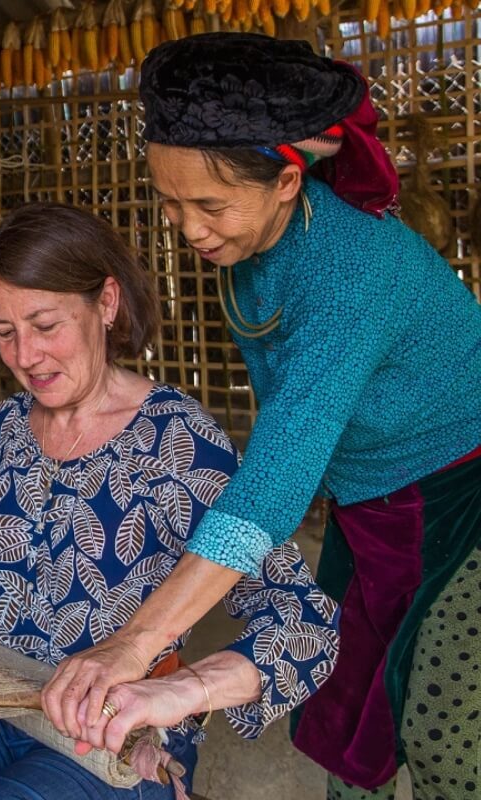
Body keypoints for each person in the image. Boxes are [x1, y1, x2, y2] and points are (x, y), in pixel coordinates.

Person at [0, 203, 339, 800]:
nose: (25, 356)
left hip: (110, 731)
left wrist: (181, 692)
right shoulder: (8, 427)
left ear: (107, 303)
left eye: (45, 326)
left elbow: (307, 622)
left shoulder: (177, 443)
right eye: (5, 331)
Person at [54, 34, 481, 800]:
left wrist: (135, 643)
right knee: (346, 706)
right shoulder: (251, 251)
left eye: (209, 206)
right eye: (171, 202)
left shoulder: (351, 271)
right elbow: (288, 425)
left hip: (463, 489)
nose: (189, 229)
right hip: (370, 497)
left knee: (443, 723)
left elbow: (275, 480)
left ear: (287, 181)